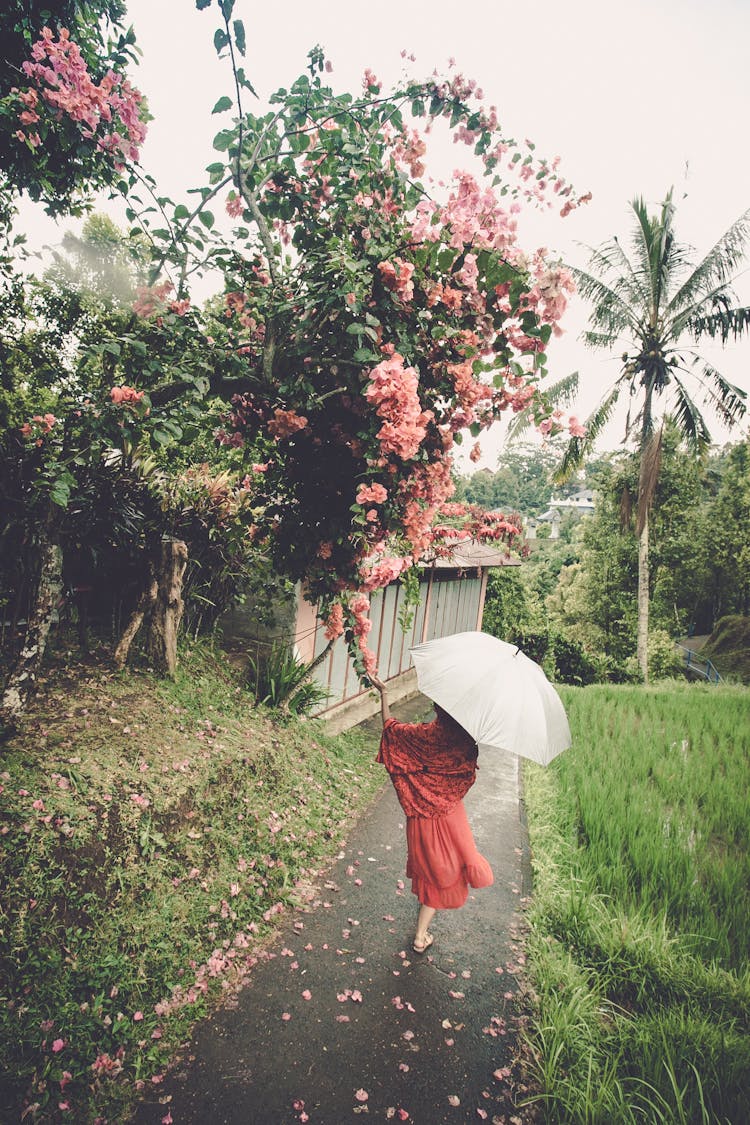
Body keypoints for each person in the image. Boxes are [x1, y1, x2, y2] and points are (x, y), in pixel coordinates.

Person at [370, 675, 494, 954]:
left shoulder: (425, 735)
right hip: (449, 816)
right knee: (444, 873)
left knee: (430, 869)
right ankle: (420, 935)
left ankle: (421, 930)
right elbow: (465, 774)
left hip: (420, 817)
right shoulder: (465, 741)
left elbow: (390, 731)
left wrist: (384, 693)